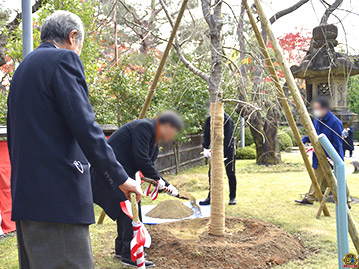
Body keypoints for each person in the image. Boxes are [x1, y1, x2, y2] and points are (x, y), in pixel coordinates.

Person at [7, 11, 143, 269]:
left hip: (27, 198)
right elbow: (86, 127)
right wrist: (121, 179)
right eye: (81, 43)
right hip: (59, 200)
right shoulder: (63, 59)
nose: (79, 50)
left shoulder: (24, 68)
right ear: (72, 37)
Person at [91, 111, 183, 268]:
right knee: (130, 211)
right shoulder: (145, 127)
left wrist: (166, 185)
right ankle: (129, 255)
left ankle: (122, 248)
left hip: (121, 174)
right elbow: (141, 159)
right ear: (167, 125)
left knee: (125, 210)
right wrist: (159, 180)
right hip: (110, 172)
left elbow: (148, 165)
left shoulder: (154, 138)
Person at [295, 96, 347, 205]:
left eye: (318, 108)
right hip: (319, 155)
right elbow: (313, 134)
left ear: (325, 109)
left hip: (332, 156)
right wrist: (303, 140)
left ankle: (347, 201)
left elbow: (337, 143)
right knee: (317, 176)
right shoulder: (317, 120)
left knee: (339, 179)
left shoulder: (335, 122)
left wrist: (334, 158)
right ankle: (310, 198)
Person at [199, 108, 237, 206]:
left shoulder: (227, 119)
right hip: (216, 149)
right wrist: (206, 148)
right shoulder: (210, 119)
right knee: (211, 173)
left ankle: (232, 197)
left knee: (230, 173)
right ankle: (210, 197)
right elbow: (206, 134)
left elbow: (227, 138)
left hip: (228, 149)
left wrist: (221, 153)